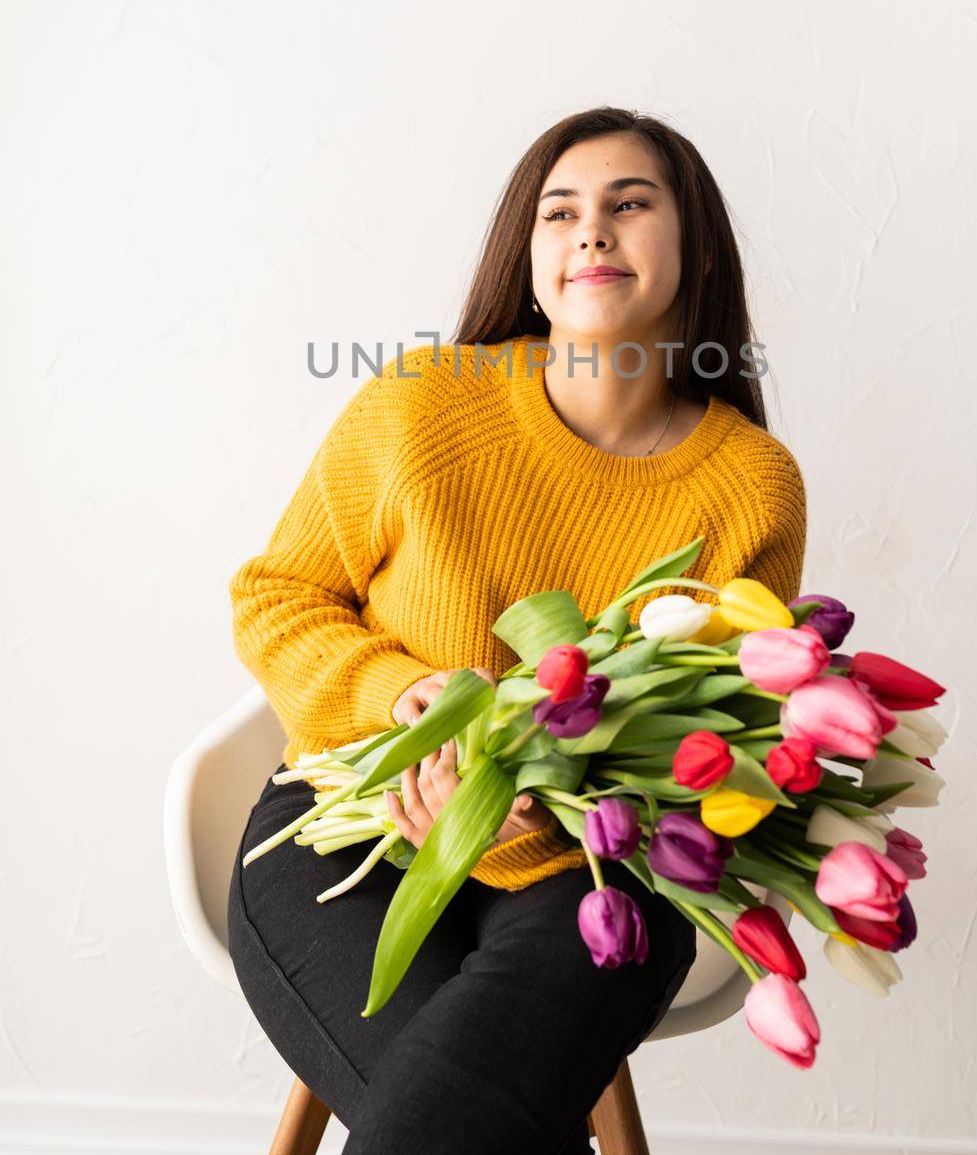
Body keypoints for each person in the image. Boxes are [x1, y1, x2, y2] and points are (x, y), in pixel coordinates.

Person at [226, 105, 807, 1154]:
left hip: (591, 880)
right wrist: (402, 697)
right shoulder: (423, 407)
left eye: (630, 204)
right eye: (561, 211)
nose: (593, 231)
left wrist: (536, 803)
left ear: (698, 245)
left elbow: (725, 752)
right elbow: (276, 596)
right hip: (347, 837)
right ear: (529, 256)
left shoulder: (748, 486)